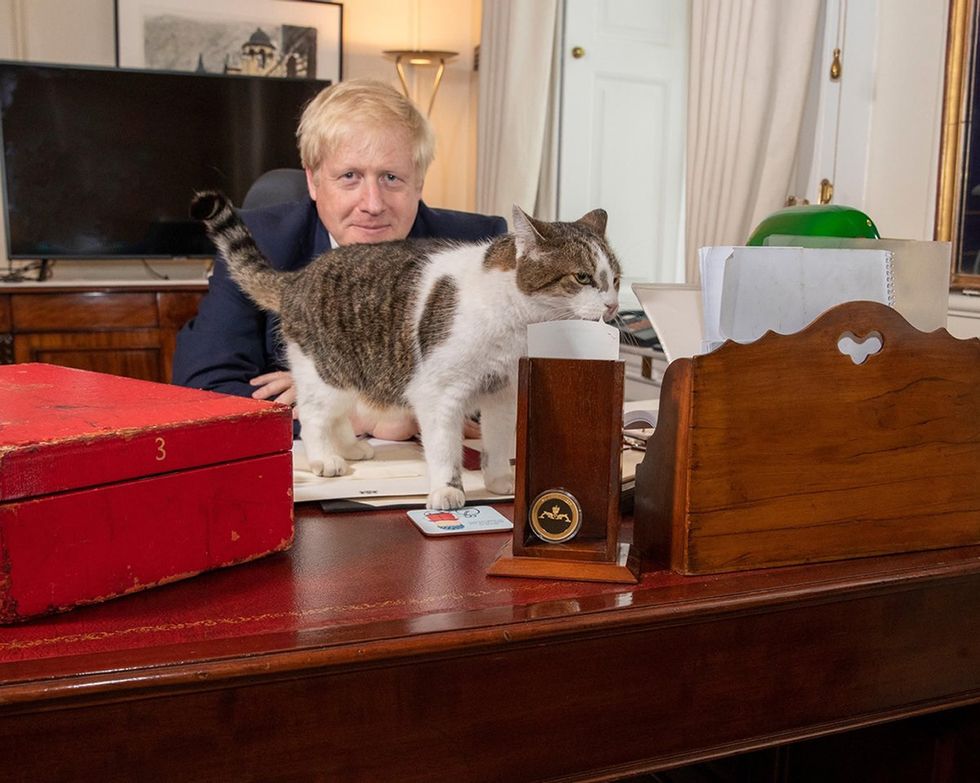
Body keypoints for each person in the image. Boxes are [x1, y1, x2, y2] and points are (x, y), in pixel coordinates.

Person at [173, 79, 507, 438]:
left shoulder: (477, 249)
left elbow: (511, 394)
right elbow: (205, 391)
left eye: (391, 178)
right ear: (314, 181)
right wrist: (359, 416)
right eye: (350, 176)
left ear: (419, 182)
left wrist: (371, 404)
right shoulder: (260, 241)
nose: (373, 204)